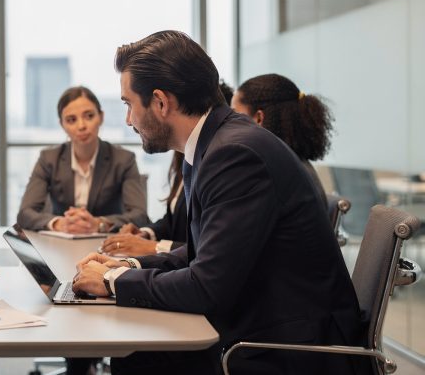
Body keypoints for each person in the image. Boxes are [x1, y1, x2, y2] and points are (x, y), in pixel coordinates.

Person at [72, 31, 369, 374]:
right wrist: (127, 266)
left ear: (161, 102)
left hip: (290, 349)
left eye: (128, 104)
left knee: (139, 357)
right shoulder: (212, 145)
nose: (128, 120)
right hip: (266, 325)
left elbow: (206, 286)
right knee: (139, 354)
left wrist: (113, 281)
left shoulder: (235, 154)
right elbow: (204, 254)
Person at [102, 83, 232, 257]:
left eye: (130, 105)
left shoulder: (221, 160)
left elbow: (209, 251)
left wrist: (155, 247)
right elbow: (173, 220)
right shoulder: (185, 156)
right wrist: (146, 233)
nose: (128, 120)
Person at [17, 86, 149, 233]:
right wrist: (59, 224)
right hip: (62, 240)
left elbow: (140, 216)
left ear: (101, 117)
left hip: (106, 241)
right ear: (62, 125)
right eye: (71, 120)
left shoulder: (123, 160)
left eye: (89, 116)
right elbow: (25, 213)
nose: (81, 126)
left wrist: (99, 224)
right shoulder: (49, 159)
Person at [231, 73, 333, 205]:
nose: (230, 123)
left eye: (234, 115)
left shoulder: (269, 172)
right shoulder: (292, 164)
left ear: (259, 118)